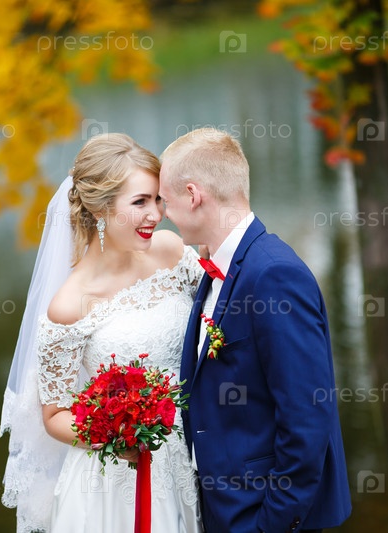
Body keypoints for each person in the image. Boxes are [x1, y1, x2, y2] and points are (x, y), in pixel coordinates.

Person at [0, 133, 204, 533]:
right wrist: (115, 434)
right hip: (116, 483)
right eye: (140, 202)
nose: (156, 214)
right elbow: (55, 415)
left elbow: (217, 319)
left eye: (158, 199)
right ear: (100, 209)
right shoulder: (69, 304)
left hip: (196, 455)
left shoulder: (171, 251)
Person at [158, 128, 352, 533]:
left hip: (264, 514)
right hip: (224, 507)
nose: (163, 214)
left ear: (193, 195)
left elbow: (306, 418)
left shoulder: (274, 275)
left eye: (165, 199)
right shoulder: (217, 268)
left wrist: (271, 523)